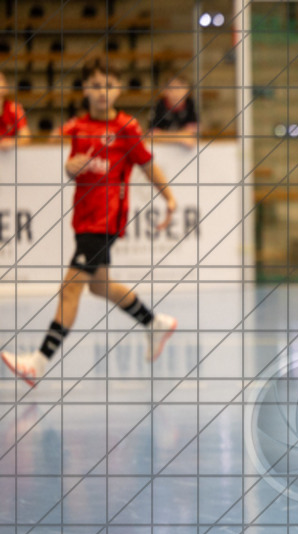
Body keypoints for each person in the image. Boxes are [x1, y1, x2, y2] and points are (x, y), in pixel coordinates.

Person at [1, 60, 178, 387]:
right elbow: (65, 163)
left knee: (70, 289)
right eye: (96, 85)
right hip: (83, 219)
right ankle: (155, 323)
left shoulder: (127, 127)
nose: (102, 92)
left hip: (106, 220)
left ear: (119, 89)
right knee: (99, 286)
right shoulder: (78, 127)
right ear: (85, 90)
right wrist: (71, 167)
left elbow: (147, 164)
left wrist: (168, 197)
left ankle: (37, 363)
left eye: (109, 85)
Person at [149, 75, 198, 148]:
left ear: (187, 91)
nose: (176, 93)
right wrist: (180, 137)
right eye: (171, 89)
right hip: (162, 149)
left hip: (184, 151)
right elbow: (152, 134)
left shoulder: (190, 104)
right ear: (165, 91)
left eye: (180, 88)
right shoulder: (159, 105)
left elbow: (192, 132)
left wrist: (165, 136)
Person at [0, 71, 31, 148]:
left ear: (6, 87)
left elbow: (26, 136)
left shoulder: (13, 108)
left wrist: (11, 142)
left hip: (8, 156)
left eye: (0, 80)